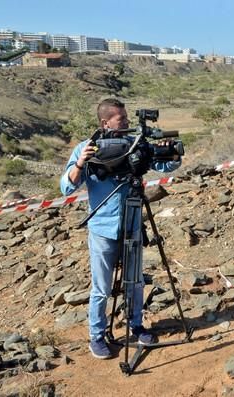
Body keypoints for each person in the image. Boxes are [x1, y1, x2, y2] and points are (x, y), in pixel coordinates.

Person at [60, 98, 181, 359]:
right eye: (121, 120)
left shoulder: (134, 144)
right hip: (103, 229)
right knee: (102, 288)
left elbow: (164, 165)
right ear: (105, 122)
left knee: (136, 281)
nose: (126, 124)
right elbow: (67, 186)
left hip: (132, 223)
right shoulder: (87, 148)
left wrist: (172, 153)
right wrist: (81, 162)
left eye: (127, 119)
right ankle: (97, 336)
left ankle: (136, 326)